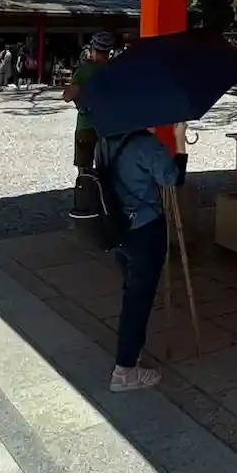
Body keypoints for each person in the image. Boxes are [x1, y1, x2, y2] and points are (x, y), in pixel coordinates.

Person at [94, 126, 179, 391]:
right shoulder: (146, 144)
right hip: (144, 229)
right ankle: (125, 370)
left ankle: (132, 350)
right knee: (138, 299)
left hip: (117, 227)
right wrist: (179, 142)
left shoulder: (105, 139)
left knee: (131, 291)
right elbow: (171, 178)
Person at [63, 32, 112, 170]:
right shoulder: (115, 70)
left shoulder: (84, 71)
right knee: (110, 170)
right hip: (111, 127)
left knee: (85, 170)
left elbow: (67, 96)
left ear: (93, 48)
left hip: (86, 126)